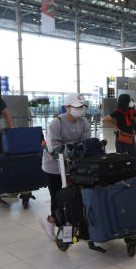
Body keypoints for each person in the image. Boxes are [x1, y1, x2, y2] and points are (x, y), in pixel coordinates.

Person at [39, 93, 91, 241]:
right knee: (57, 197)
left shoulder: (84, 123)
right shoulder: (56, 123)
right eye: (77, 107)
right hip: (54, 167)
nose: (80, 110)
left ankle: (73, 222)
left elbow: (87, 143)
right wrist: (63, 152)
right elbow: (52, 146)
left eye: (81, 107)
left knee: (73, 196)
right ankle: (50, 222)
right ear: (67, 107)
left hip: (73, 166)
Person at [103, 94, 136, 164]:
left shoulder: (131, 111)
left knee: (133, 156)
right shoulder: (117, 112)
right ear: (126, 102)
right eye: (129, 100)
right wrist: (114, 126)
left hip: (131, 136)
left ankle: (134, 170)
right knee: (121, 158)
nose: (131, 101)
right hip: (121, 137)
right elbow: (104, 120)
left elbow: (135, 118)